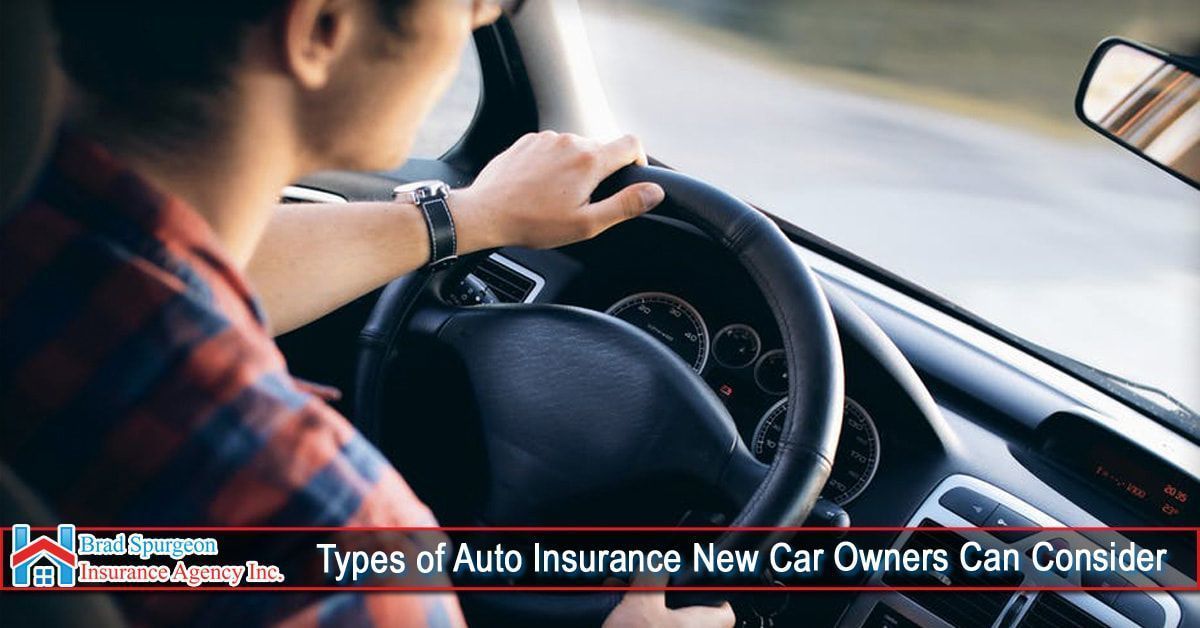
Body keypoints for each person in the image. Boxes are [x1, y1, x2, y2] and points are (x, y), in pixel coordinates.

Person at [0, 0, 735, 626]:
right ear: (321, 27)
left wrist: (470, 217)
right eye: (470, 2)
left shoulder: (40, 240)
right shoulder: (335, 549)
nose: (480, 15)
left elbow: (184, 267)